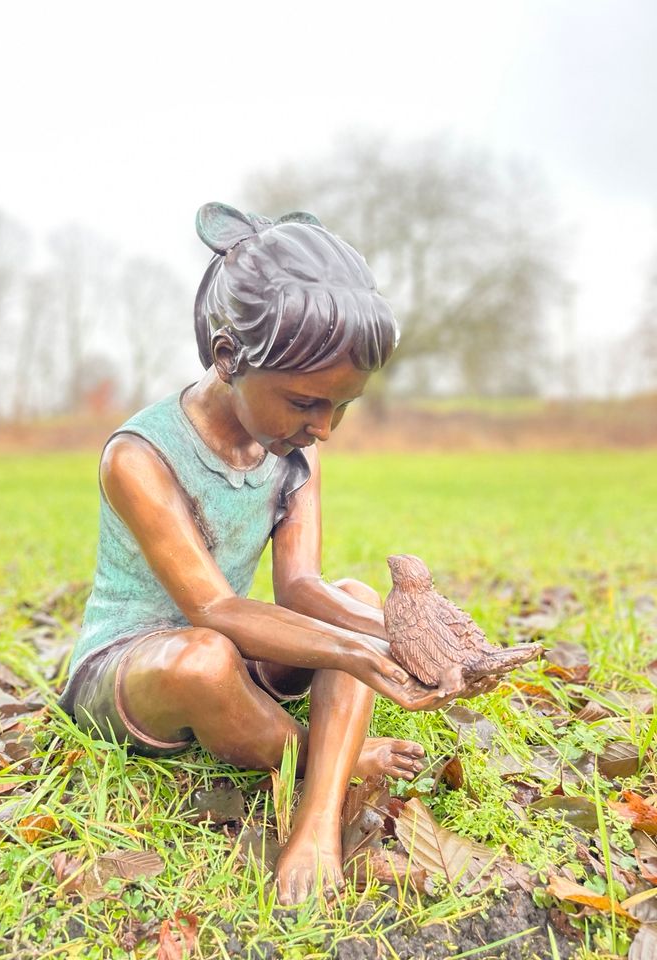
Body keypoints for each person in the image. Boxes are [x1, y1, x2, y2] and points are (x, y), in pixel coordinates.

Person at [56, 202, 494, 905]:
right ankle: (339, 753)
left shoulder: (293, 449)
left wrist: (413, 641)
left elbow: (300, 588)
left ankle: (317, 817)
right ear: (229, 357)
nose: (324, 428)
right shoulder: (138, 456)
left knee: (352, 600)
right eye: (304, 402)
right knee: (205, 658)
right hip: (142, 667)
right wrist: (354, 654)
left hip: (242, 654)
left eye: (341, 407)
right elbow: (214, 608)